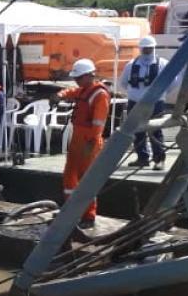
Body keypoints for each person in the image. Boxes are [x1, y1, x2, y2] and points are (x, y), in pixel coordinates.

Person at [59, 59, 110, 228]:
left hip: (89, 141)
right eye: (75, 78)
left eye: (79, 77)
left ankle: (88, 215)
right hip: (77, 139)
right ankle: (70, 210)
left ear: (89, 75)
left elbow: (98, 123)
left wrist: (91, 143)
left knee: (86, 180)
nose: (76, 81)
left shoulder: (100, 95)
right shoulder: (83, 90)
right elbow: (71, 92)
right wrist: (60, 95)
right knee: (69, 175)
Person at [118, 35, 167, 170]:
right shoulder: (131, 65)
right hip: (135, 102)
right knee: (137, 130)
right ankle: (142, 157)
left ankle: (159, 160)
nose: (147, 51)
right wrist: (135, 93)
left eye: (149, 48)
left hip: (155, 102)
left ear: (154, 48)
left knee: (156, 130)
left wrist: (160, 94)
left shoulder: (162, 64)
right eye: (145, 48)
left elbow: (172, 82)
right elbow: (123, 82)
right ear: (140, 49)